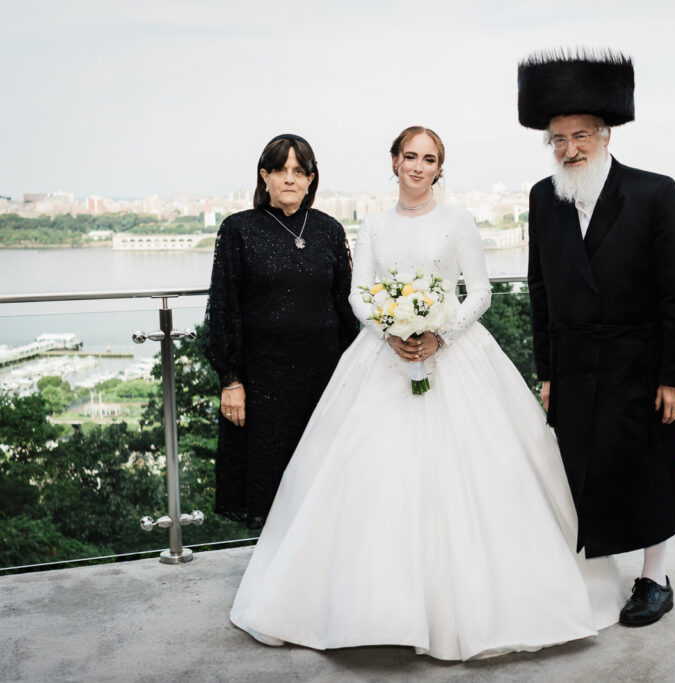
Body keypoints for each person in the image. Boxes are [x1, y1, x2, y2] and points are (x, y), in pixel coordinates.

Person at [228, 126, 625, 660]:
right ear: (394, 161)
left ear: (439, 169)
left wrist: (441, 333)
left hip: (455, 353)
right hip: (382, 356)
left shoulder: (458, 221)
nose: (418, 166)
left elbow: (479, 292)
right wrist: (389, 328)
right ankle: (370, 609)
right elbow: (358, 294)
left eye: (429, 159)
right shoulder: (372, 224)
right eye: (410, 156)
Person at [520, 50, 675, 626]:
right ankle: (589, 574)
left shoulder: (654, 192)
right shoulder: (542, 198)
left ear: (604, 135)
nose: (568, 149)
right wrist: (547, 372)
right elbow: (540, 289)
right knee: (580, 471)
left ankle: (655, 577)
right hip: (574, 366)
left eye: (579, 136)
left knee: (647, 473)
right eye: (558, 139)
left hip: (639, 365)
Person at [203, 134, 360, 527]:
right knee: (269, 481)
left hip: (324, 378)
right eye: (280, 170)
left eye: (299, 171)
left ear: (311, 179)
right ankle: (274, 562)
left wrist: (354, 373)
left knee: (321, 479)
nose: (290, 178)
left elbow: (347, 307)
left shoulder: (329, 230)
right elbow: (223, 306)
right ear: (265, 176)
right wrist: (230, 380)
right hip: (263, 381)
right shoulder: (239, 229)